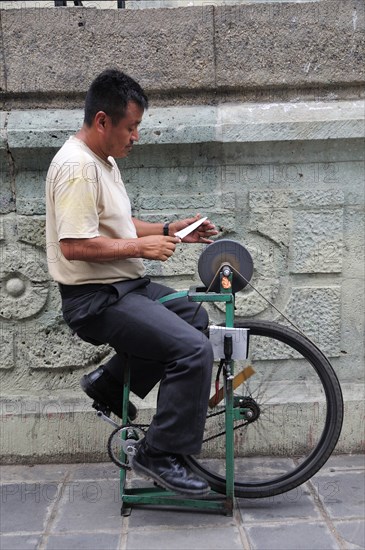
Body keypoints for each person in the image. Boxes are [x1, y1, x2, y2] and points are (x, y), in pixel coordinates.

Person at [45, 68, 218, 497]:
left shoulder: (102, 161)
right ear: (102, 121)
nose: (136, 136)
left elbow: (116, 224)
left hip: (124, 286)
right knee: (192, 350)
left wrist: (168, 228)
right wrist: (141, 250)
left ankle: (108, 383)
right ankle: (157, 454)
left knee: (193, 316)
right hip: (95, 300)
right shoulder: (76, 169)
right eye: (131, 126)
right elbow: (74, 245)